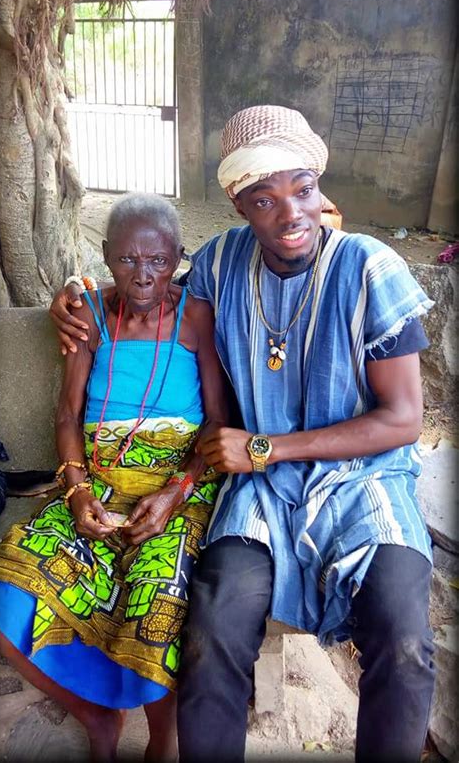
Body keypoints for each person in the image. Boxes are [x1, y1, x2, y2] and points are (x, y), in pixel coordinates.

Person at [49, 105, 436, 763]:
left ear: (321, 187)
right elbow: (148, 282)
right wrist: (76, 288)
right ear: (238, 204)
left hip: (364, 481)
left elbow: (403, 420)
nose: (290, 215)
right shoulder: (222, 264)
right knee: (212, 633)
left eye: (302, 190)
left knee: (404, 642)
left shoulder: (373, 271)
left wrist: (265, 447)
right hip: (258, 494)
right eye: (264, 199)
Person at [0, 192, 228, 763]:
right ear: (104, 255)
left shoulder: (196, 316)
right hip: (95, 486)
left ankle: (162, 741)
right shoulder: (88, 315)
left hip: (177, 490)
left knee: (158, 609)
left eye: (158, 262)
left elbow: (219, 420)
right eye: (126, 260)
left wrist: (176, 491)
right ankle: (98, 720)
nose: (142, 276)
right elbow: (68, 415)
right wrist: (76, 492)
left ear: (178, 258)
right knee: (1, 594)